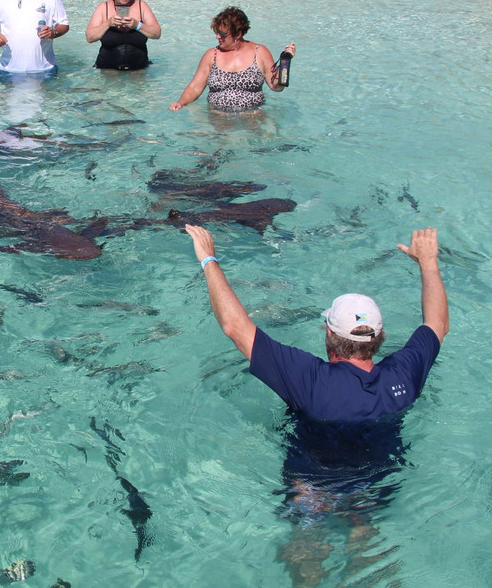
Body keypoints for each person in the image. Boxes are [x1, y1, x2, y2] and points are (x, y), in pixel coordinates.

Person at [185, 223, 449, 585]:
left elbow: (235, 326)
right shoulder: (401, 377)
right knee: (364, 532)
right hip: (373, 485)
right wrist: (428, 262)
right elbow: (437, 324)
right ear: (379, 338)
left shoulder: (308, 380)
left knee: (306, 541)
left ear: (329, 334)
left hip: (311, 487)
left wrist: (208, 258)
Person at [170, 7, 294, 112]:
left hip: (252, 116)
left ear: (238, 34)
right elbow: (195, 87)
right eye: (216, 32)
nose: (218, 36)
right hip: (217, 118)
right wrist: (181, 103)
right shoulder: (211, 55)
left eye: (223, 34)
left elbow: (276, 87)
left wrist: (285, 62)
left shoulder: (260, 52)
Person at [84, 0, 161, 71]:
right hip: (108, 68)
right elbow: (90, 37)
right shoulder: (104, 8)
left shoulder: (142, 6)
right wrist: (108, 23)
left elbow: (157, 33)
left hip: (138, 68)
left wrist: (137, 25)